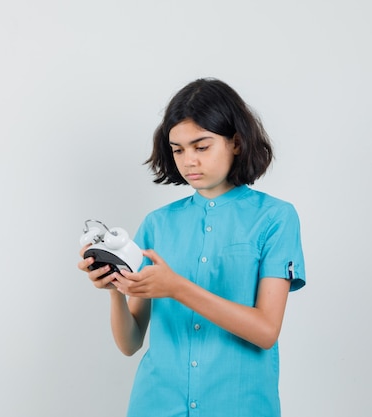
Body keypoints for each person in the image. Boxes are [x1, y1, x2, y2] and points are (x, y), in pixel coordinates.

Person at [77, 78, 306, 417]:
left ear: (237, 144)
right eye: (178, 149)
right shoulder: (157, 223)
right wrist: (114, 289)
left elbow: (265, 331)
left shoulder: (275, 218)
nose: (189, 161)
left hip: (239, 406)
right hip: (156, 404)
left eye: (202, 147)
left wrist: (177, 288)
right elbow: (130, 343)